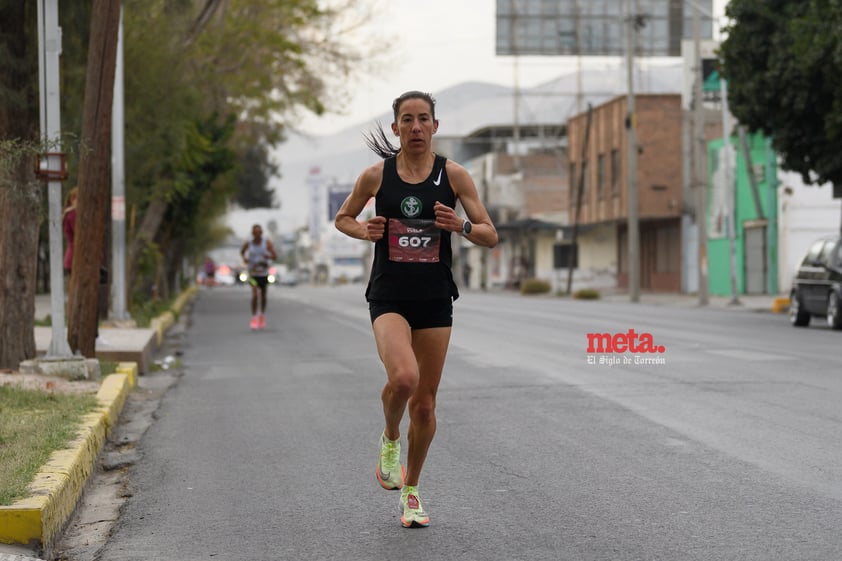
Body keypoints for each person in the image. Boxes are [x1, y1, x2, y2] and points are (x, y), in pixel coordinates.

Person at [334, 91, 498, 528]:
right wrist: (365, 231)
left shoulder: (455, 176)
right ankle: (390, 439)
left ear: (435, 126)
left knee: (424, 406)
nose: (416, 127)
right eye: (407, 120)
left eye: (423, 119)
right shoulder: (376, 176)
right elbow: (343, 218)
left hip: (434, 299)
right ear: (396, 128)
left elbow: (489, 233)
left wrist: (460, 225)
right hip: (388, 295)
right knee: (403, 378)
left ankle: (411, 490)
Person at [240, 224, 277, 330]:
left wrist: (268, 256)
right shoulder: (249, 243)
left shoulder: (266, 243)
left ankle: (262, 315)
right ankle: (254, 317)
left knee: (263, 296)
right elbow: (242, 252)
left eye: (260, 232)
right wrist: (245, 259)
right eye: (256, 232)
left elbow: (275, 256)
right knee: (255, 294)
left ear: (262, 233)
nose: (258, 234)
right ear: (253, 233)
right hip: (253, 273)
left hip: (264, 273)